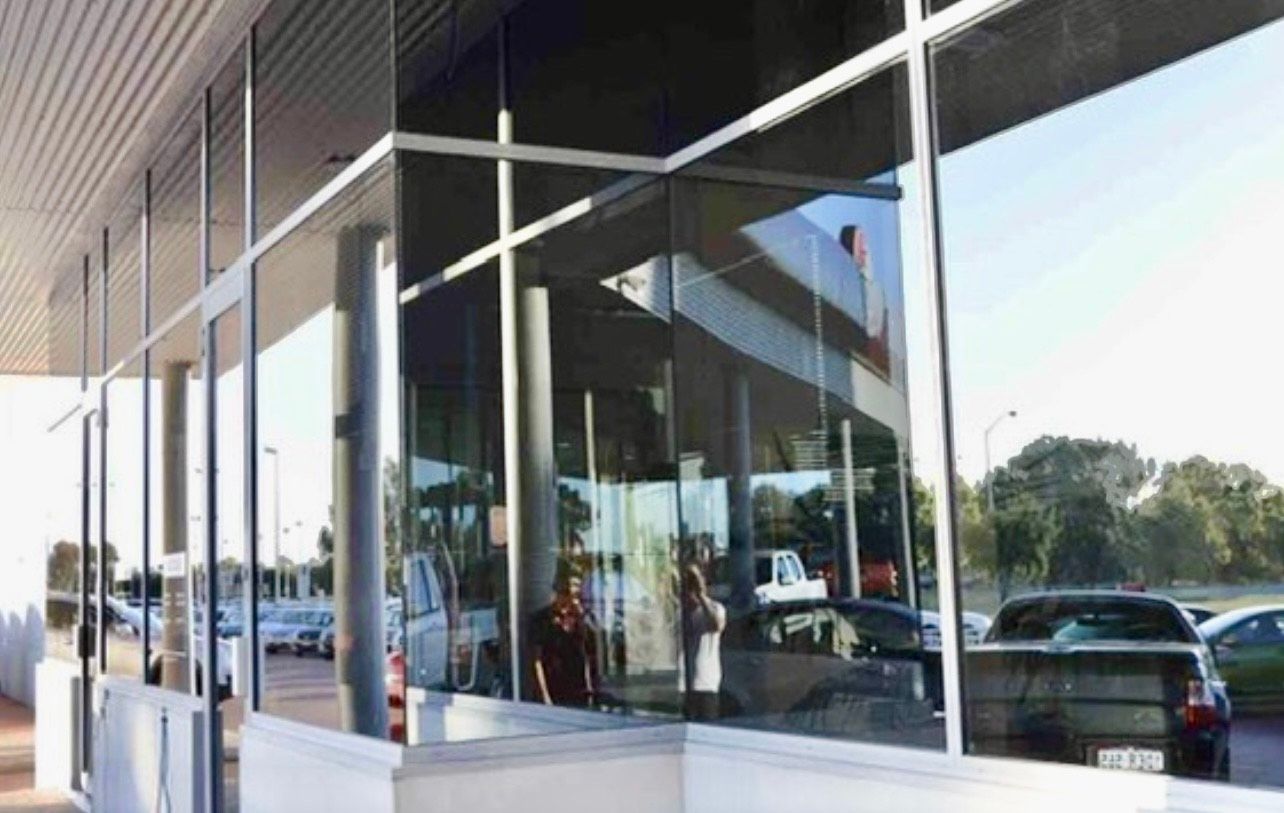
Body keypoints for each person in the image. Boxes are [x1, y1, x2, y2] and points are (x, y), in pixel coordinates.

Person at [529, 561, 599, 707]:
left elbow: (589, 655)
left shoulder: (582, 619)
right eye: (566, 594)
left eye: (577, 595)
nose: (571, 600)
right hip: (554, 690)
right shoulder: (542, 619)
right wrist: (545, 697)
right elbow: (536, 661)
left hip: (579, 691)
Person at [681, 562, 727, 721]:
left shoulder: (715, 608)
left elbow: (716, 625)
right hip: (684, 684)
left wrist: (701, 596)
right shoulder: (682, 612)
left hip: (705, 683)